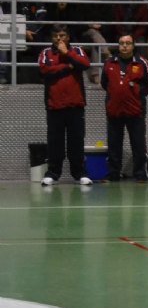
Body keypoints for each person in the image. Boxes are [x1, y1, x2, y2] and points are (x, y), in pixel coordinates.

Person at [38, 24, 92, 186]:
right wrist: (68, 66)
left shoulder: (77, 51)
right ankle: (53, 173)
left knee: (76, 141)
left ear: (68, 37)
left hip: (76, 105)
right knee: (55, 142)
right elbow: (45, 71)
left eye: (62, 35)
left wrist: (66, 54)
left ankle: (79, 173)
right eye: (56, 36)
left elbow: (85, 64)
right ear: (52, 38)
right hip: (54, 106)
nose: (59, 39)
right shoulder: (45, 53)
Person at [101, 35, 148, 182]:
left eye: (128, 43)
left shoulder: (142, 63)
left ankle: (140, 174)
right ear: (118, 45)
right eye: (122, 43)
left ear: (133, 45)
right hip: (114, 110)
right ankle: (113, 174)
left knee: (138, 144)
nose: (124, 46)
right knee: (114, 145)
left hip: (135, 111)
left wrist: (135, 93)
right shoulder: (109, 62)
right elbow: (104, 83)